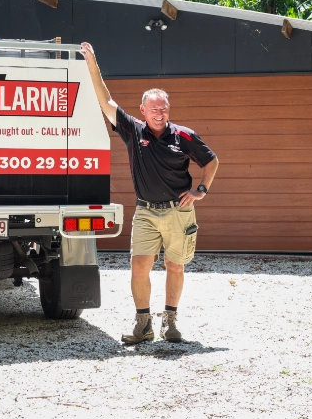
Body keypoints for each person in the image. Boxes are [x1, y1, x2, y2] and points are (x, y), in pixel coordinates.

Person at [80, 42, 218, 343]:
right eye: (154, 108)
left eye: (164, 108)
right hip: (145, 211)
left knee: (175, 265)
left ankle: (170, 321)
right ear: (143, 110)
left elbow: (211, 160)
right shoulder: (132, 129)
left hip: (178, 211)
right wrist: (92, 62)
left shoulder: (183, 136)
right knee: (139, 267)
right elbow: (105, 100)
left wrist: (201, 190)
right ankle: (143, 325)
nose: (160, 112)